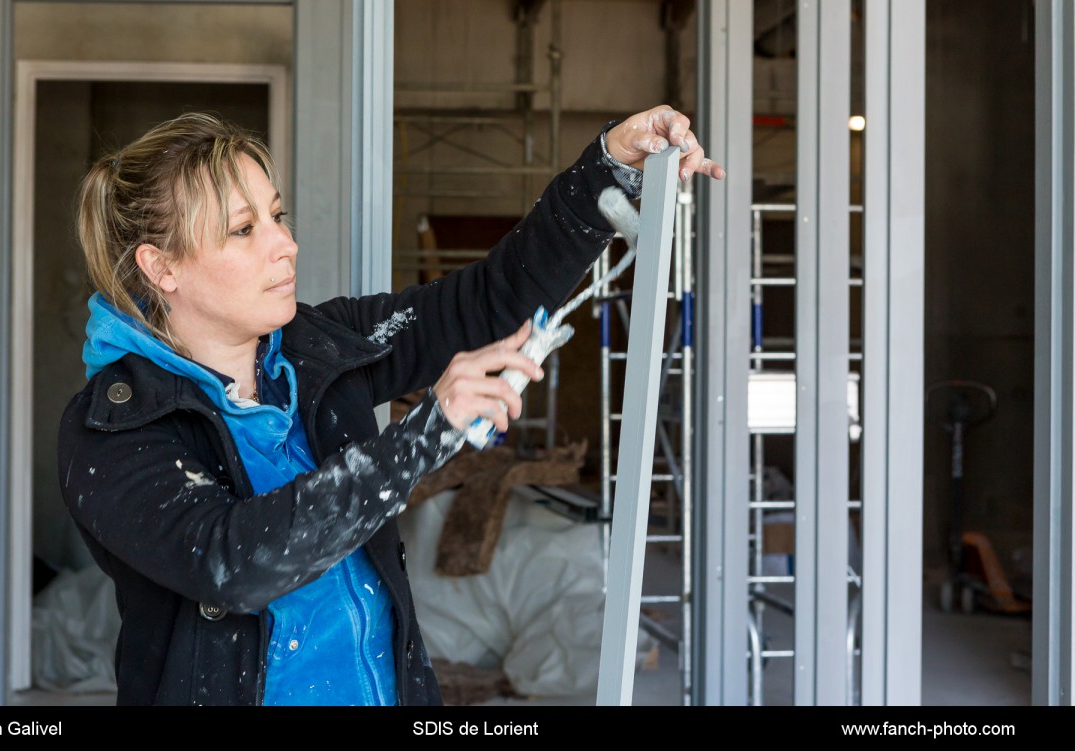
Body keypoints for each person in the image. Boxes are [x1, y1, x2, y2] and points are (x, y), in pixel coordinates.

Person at [57, 105, 725, 706]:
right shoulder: (113, 429)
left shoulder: (318, 350)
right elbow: (229, 563)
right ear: (161, 267)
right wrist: (418, 439)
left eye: (277, 216)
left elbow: (487, 301)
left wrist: (608, 166)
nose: (285, 244)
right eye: (242, 229)